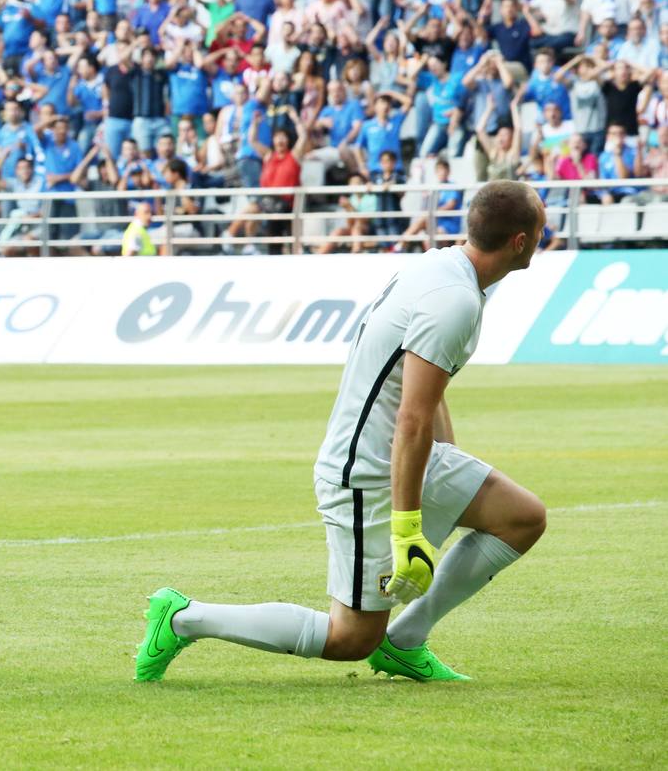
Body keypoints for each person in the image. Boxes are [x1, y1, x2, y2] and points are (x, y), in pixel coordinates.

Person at [137, 180, 549, 683]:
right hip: (366, 471)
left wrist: (449, 466)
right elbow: (413, 417)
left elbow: (424, 385)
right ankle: (183, 617)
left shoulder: (442, 265)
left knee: (522, 518)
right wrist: (407, 528)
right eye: (542, 226)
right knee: (351, 638)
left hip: (401, 452)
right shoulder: (455, 300)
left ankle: (405, 642)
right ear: (520, 242)